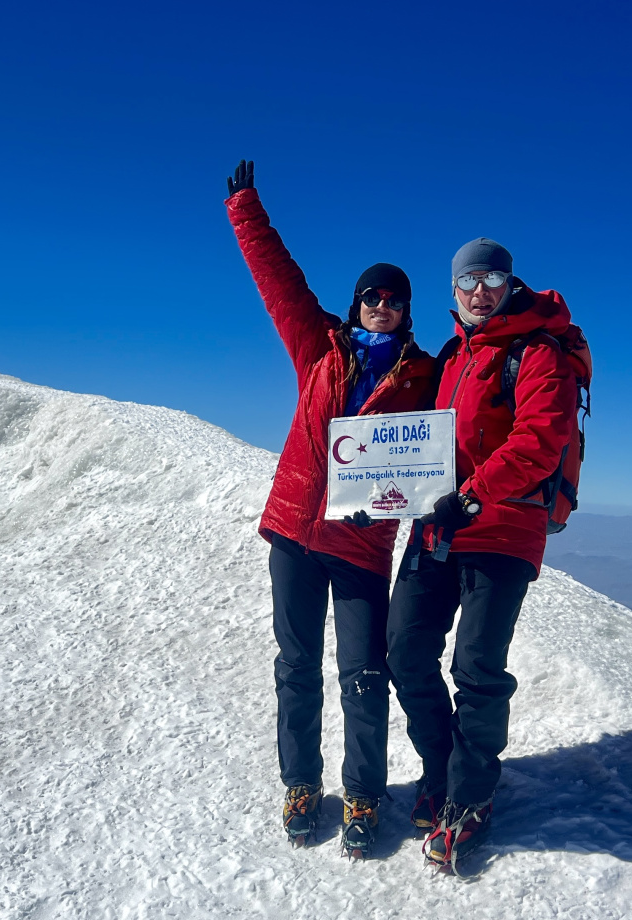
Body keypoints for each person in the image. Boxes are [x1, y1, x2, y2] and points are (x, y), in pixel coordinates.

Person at [224, 160, 436, 857]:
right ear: (356, 304)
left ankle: (366, 795)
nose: (382, 304)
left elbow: (444, 445)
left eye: (394, 298)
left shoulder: (423, 377)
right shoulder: (320, 349)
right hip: (294, 531)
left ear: (407, 310)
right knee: (295, 667)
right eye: (372, 295)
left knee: (363, 676)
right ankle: (302, 785)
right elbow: (279, 284)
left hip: (360, 546)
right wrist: (246, 212)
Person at [387, 237, 580, 873]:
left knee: (476, 666)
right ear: (453, 290)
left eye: (492, 278)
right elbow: (420, 446)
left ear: (510, 284)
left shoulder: (538, 352)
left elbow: (540, 441)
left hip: (502, 531)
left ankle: (470, 798)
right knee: (405, 649)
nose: (480, 291)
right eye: (469, 280)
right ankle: (441, 771)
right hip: (438, 530)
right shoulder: (452, 356)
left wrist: (469, 498)